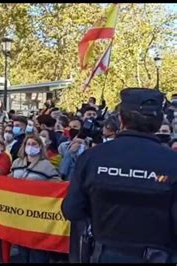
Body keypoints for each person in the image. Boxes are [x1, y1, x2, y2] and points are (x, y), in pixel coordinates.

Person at [62, 88, 177, 263]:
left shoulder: (92, 157)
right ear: (158, 122)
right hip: (158, 255)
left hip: (105, 253)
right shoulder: (172, 162)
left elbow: (72, 209)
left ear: (121, 119)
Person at [10, 134, 61, 263]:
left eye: (34, 144)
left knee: (38, 250)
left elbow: (57, 185)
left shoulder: (46, 165)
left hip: (37, 213)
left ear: (40, 147)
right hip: (19, 211)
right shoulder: (17, 162)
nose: (31, 147)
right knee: (22, 248)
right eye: (28, 144)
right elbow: (9, 180)